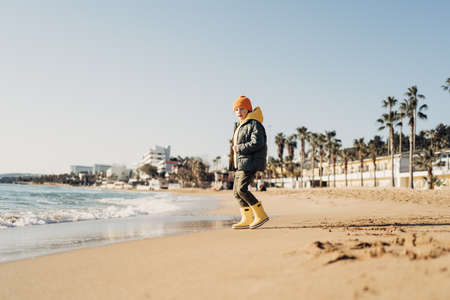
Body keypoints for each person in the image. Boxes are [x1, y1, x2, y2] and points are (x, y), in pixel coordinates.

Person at [231, 96, 269, 229]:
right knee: (236, 192)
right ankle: (247, 218)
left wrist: (239, 148)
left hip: (250, 162)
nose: (239, 112)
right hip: (241, 164)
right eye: (236, 109)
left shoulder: (254, 123)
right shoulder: (241, 125)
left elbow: (258, 142)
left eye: (242, 108)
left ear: (248, 109)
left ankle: (261, 214)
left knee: (242, 189)